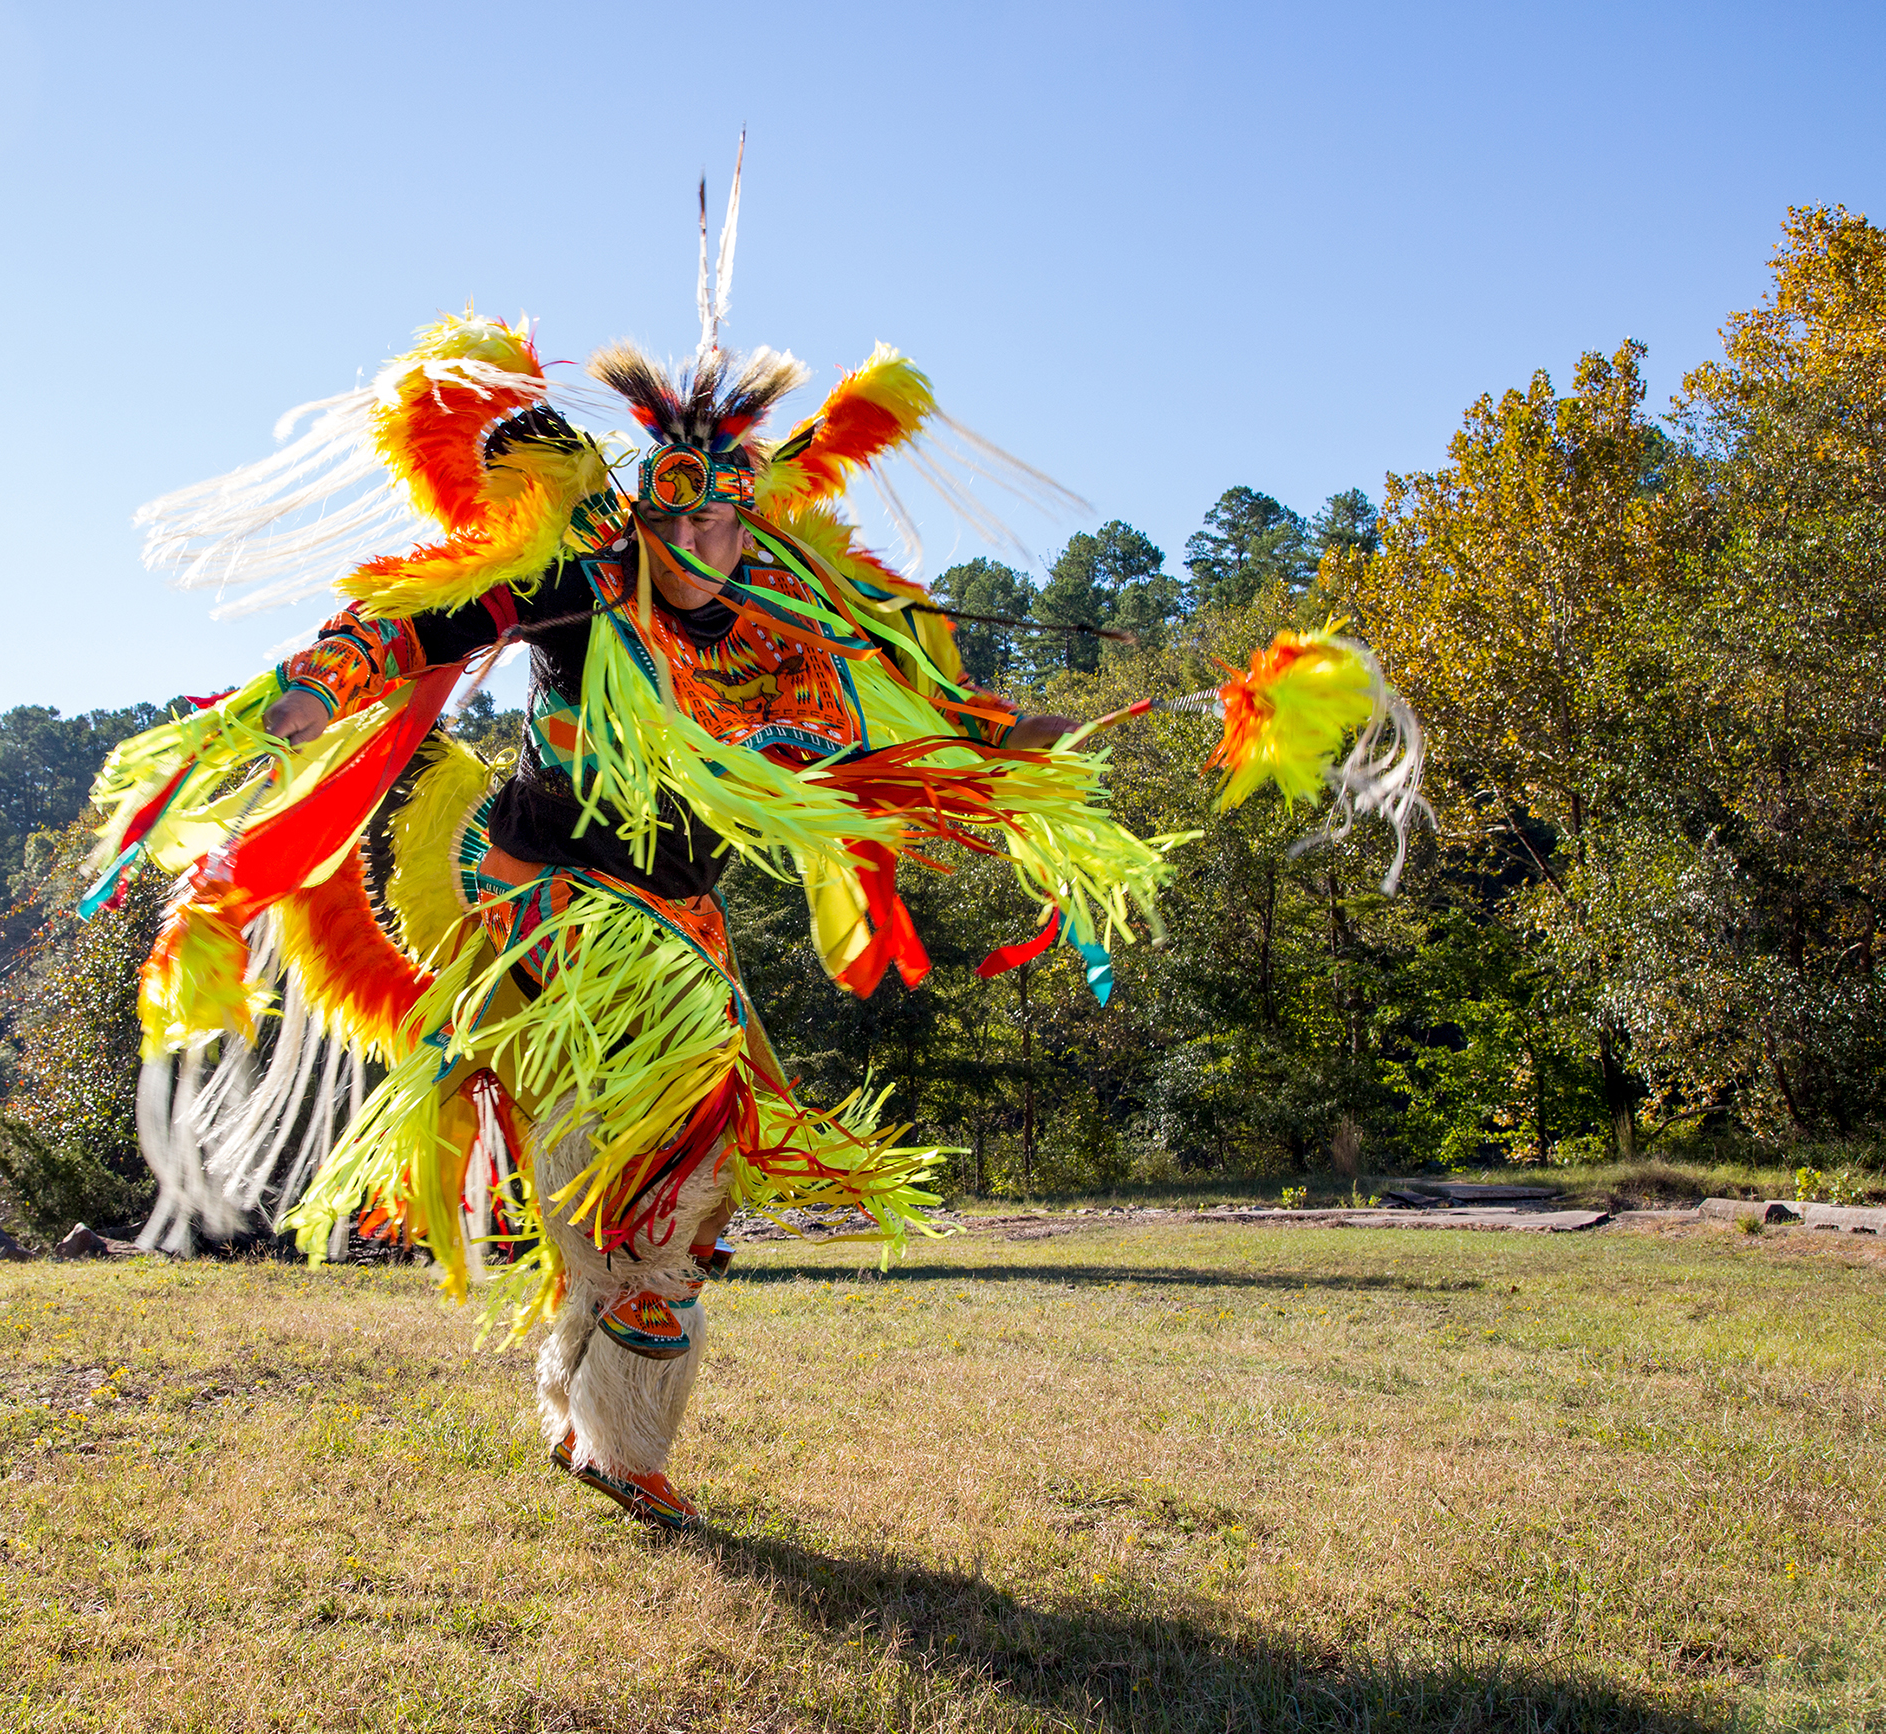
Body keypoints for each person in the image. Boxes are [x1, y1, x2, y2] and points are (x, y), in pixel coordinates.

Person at [83, 304, 1422, 1530]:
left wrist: (1147, 728)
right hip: (548, 913)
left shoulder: (791, 638)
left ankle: (609, 1425)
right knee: (588, 1185)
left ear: (751, 517)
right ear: (647, 514)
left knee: (674, 1202)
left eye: (728, 519)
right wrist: (311, 690)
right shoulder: (582, 590)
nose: (704, 544)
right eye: (679, 517)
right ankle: (599, 1418)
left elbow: (957, 735)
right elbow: (424, 624)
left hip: (681, 939)